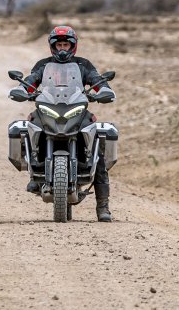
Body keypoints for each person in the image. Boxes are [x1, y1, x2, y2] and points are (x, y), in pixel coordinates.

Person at [20, 24, 114, 222]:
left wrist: (104, 90)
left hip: (76, 108)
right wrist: (22, 90)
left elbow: (97, 81)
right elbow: (32, 80)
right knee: (30, 123)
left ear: (73, 46)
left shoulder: (83, 65)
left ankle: (103, 206)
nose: (62, 49)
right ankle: (34, 173)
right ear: (53, 46)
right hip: (49, 106)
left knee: (97, 148)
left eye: (66, 45)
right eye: (59, 45)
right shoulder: (43, 65)